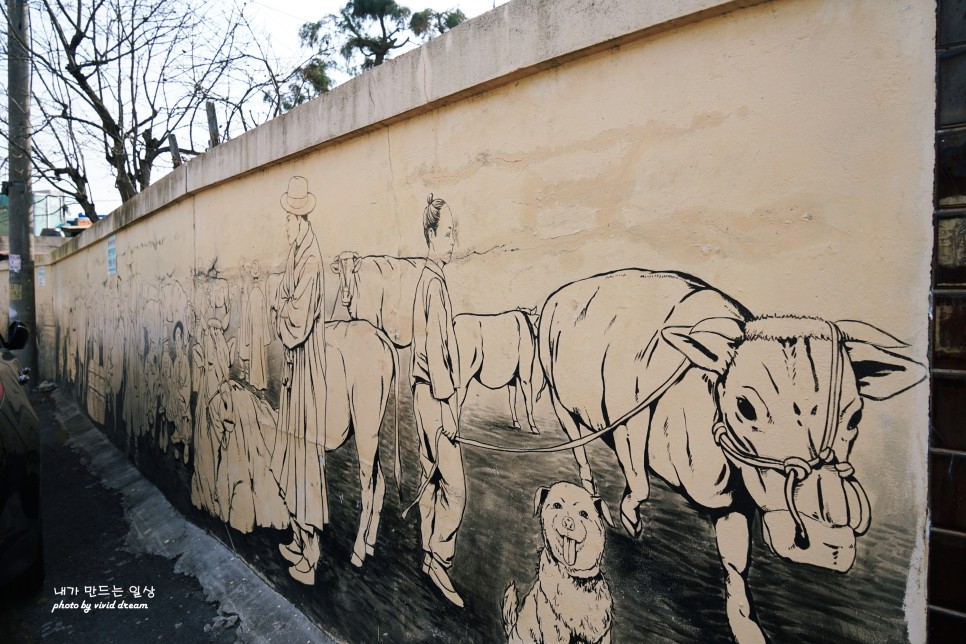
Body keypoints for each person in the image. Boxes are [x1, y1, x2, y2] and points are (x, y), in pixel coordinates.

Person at [270, 176, 327, 585]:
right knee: (290, 453)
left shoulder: (310, 259)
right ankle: (297, 534)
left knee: (305, 458)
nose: (285, 224)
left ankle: (312, 553)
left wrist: (279, 307)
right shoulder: (296, 252)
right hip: (295, 369)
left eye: (288, 218)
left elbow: (298, 319)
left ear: (299, 217)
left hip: (307, 370)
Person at [410, 194, 465, 607]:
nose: (453, 241)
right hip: (433, 396)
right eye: (447, 233)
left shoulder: (431, 281)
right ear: (430, 235)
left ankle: (430, 556)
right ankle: (439, 558)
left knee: (431, 480)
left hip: (425, 394)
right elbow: (432, 350)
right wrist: (448, 406)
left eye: (454, 233)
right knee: (455, 489)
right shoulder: (431, 284)